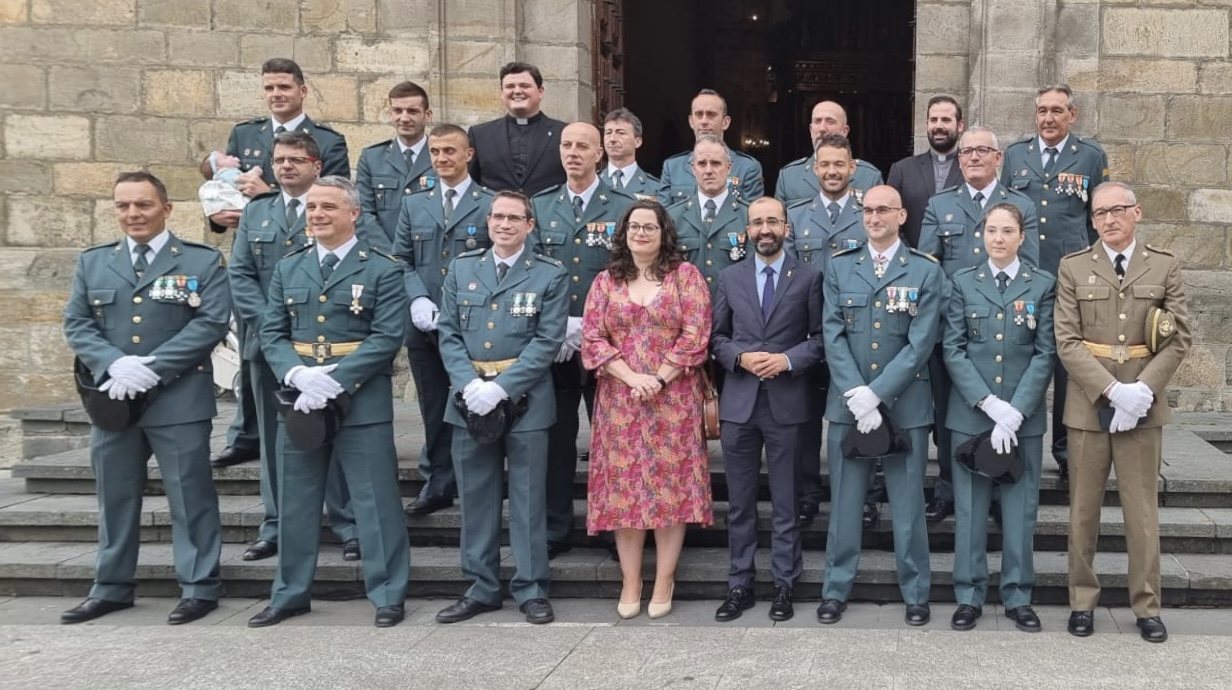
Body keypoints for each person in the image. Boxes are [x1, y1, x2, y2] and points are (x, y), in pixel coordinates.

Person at [61, 172, 229, 625]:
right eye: (123, 206)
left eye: (143, 205)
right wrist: (113, 364)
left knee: (190, 495)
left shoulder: (199, 262)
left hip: (178, 398)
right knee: (114, 496)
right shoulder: (94, 262)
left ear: (166, 209)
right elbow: (77, 323)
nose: (133, 214)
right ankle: (111, 586)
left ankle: (199, 586)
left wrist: (150, 368)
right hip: (113, 397)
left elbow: (210, 323)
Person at [247, 177, 410, 629]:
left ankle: (388, 592)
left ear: (353, 213)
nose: (316, 214)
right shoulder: (289, 267)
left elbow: (386, 336)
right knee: (296, 502)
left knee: (375, 501)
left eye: (327, 207)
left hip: (360, 400)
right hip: (299, 399)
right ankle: (290, 593)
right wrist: (297, 373)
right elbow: (272, 331)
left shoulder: (382, 268)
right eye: (311, 207)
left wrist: (337, 379)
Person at [1055, 182, 1190, 643]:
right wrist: (1114, 390)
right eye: (1099, 213)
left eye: (1117, 210)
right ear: (1091, 220)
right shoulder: (1073, 267)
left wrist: (1143, 391)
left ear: (1137, 212)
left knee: (1141, 513)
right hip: (1089, 406)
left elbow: (1179, 337)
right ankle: (1081, 601)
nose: (1109, 219)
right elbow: (1068, 342)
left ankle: (1147, 605)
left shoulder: (1165, 265)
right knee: (1083, 512)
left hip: (1144, 410)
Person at [205, 56, 350, 470]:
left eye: (284, 87)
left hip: (308, 262)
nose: (276, 94)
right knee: (257, 356)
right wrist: (218, 214)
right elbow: (223, 191)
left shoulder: (327, 140)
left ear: (302, 90)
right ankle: (246, 434)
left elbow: (334, 194)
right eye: (269, 88)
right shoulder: (245, 133)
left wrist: (269, 188)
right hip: (258, 255)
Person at [434, 191, 569, 625]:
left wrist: (503, 388)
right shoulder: (461, 268)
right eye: (498, 217)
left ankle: (531, 588)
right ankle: (481, 587)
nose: (504, 224)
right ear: (488, 221)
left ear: (530, 225)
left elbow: (547, 341)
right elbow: (449, 333)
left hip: (526, 401)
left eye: (514, 218)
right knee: (476, 497)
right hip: (469, 398)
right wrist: (470, 384)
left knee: (529, 499)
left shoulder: (549, 273)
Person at [228, 131, 358, 563]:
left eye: (296, 160)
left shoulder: (340, 207)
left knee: (338, 436)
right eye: (280, 159)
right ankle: (277, 525)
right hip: (271, 348)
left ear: (316, 166)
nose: (286, 166)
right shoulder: (258, 213)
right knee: (274, 440)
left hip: (332, 348)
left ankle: (347, 522)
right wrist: (275, 327)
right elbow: (241, 275)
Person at [818, 185, 945, 627]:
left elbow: (921, 342)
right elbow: (831, 333)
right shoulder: (839, 267)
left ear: (902, 215)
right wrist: (856, 392)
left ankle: (916, 592)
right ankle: (835, 589)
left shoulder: (926, 272)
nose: (874, 217)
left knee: (908, 505)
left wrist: (878, 393)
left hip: (905, 405)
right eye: (867, 210)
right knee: (846, 504)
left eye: (883, 210)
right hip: (848, 406)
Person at [581, 199, 713, 620]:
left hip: (672, 401)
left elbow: (696, 335)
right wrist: (632, 377)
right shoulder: (605, 281)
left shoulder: (685, 277)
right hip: (620, 402)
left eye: (649, 227)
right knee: (624, 494)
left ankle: (664, 580)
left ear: (663, 233)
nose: (641, 233)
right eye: (634, 227)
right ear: (624, 234)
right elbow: (593, 340)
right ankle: (631, 580)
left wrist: (658, 377)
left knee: (669, 490)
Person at [942, 202, 1055, 632]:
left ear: (1022, 237)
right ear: (982, 235)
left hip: (1022, 419)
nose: (999, 238)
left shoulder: (1041, 284)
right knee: (969, 510)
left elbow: (1045, 352)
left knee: (1020, 509)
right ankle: (969, 595)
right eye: (992, 230)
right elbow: (952, 348)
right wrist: (988, 404)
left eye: (1008, 231)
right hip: (972, 415)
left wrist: (1016, 411)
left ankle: (1017, 595)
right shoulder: (963, 283)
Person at [918, 126, 1040, 523]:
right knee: (951, 416)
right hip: (953, 329)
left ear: (998, 157)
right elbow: (928, 268)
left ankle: (997, 486)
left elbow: (1032, 269)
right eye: (966, 151)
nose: (973, 157)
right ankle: (950, 488)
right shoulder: (940, 205)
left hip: (1002, 328)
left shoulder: (1020, 205)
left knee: (1000, 405)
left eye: (982, 151)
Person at [711, 197, 823, 623]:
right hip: (739, 404)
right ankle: (739, 583)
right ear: (747, 230)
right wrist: (739, 357)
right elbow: (716, 338)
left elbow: (819, 338)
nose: (765, 229)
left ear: (786, 228)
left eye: (772, 221)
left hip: (787, 403)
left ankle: (783, 584)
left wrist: (788, 360)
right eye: (757, 222)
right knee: (739, 503)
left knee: (786, 501)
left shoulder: (808, 277)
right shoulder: (728, 277)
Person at [531, 122, 636, 559]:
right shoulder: (540, 206)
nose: (573, 152)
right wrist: (559, 326)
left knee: (612, 440)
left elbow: (631, 274)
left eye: (582, 146)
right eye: (567, 145)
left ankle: (616, 526)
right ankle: (556, 528)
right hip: (556, 344)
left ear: (600, 153)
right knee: (557, 439)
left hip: (609, 344)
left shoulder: (624, 207)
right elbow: (533, 271)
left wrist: (591, 325)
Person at [1002, 84, 1111, 480]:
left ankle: (1066, 451)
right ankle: (1012, 437)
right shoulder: (1015, 154)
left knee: (1069, 365)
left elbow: (1096, 218)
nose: (1048, 118)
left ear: (1072, 115)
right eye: (1042, 111)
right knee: (1019, 356)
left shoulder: (1091, 156)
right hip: (1027, 276)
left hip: (1071, 279)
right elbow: (1008, 213)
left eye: (1056, 111)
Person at [393, 123, 495, 516]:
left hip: (473, 325)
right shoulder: (414, 203)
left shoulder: (488, 203)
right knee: (433, 406)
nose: (441, 159)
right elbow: (400, 258)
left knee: (474, 402)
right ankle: (438, 483)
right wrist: (417, 296)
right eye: (435, 152)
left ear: (468, 154)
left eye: (450, 151)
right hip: (424, 323)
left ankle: (479, 482)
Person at [783, 132, 862, 527]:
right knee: (806, 418)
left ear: (853, 167)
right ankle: (808, 493)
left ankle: (864, 495)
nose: (832, 171)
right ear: (815, 170)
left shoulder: (869, 213)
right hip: (808, 333)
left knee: (860, 413)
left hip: (858, 334)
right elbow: (790, 277)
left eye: (839, 164)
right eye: (825, 165)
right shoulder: (796, 216)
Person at [356, 81, 437, 251]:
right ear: (390, 114)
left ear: (427, 115)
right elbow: (363, 212)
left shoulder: (442, 157)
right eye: (398, 111)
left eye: (413, 111)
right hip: (384, 256)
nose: (404, 118)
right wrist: (389, 255)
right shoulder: (372, 158)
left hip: (430, 257)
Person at [468, 61, 567, 196]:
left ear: (540, 91)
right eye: (510, 86)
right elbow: (471, 183)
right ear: (502, 93)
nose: (517, 91)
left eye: (525, 86)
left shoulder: (563, 133)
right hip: (498, 215)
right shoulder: (480, 135)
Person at [667, 135, 751, 292]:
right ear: (693, 168)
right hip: (687, 311)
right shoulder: (672, 217)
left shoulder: (748, 216)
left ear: (729, 167)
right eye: (701, 163)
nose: (708, 170)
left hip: (733, 311)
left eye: (716, 163)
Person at [658, 89, 764, 205]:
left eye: (711, 114)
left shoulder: (747, 168)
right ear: (691, 121)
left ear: (725, 122)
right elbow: (663, 218)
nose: (704, 121)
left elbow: (752, 217)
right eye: (699, 114)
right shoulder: (673, 167)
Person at [887, 95, 966, 248]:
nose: (938, 126)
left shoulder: (972, 170)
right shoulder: (902, 170)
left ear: (960, 125)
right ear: (927, 124)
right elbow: (891, 219)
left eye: (946, 120)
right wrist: (910, 258)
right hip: (911, 263)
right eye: (933, 120)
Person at [775, 100, 882, 207]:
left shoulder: (869, 176)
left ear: (844, 131)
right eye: (817, 121)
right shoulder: (789, 177)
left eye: (830, 122)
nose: (822, 128)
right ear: (811, 130)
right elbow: (779, 221)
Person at [602, 108, 659, 200]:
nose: (612, 139)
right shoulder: (591, 183)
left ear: (637, 141)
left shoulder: (655, 188)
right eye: (608, 133)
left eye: (620, 133)